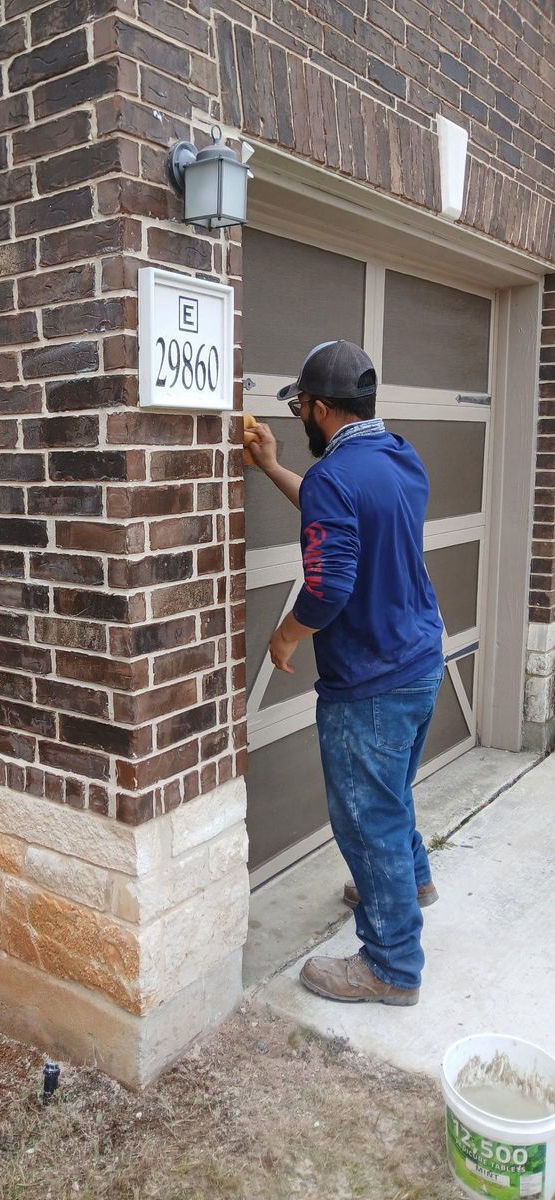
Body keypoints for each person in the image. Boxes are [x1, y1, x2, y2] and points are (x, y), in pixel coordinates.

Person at [243, 340, 444, 1006]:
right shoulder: (398, 457)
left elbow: (328, 584)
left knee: (367, 821)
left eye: (300, 406)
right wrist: (273, 466)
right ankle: (412, 882)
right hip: (419, 660)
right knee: (391, 797)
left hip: (371, 682)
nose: (300, 416)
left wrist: (284, 634)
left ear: (320, 408)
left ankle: (391, 965)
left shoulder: (335, 475)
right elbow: (343, 508)